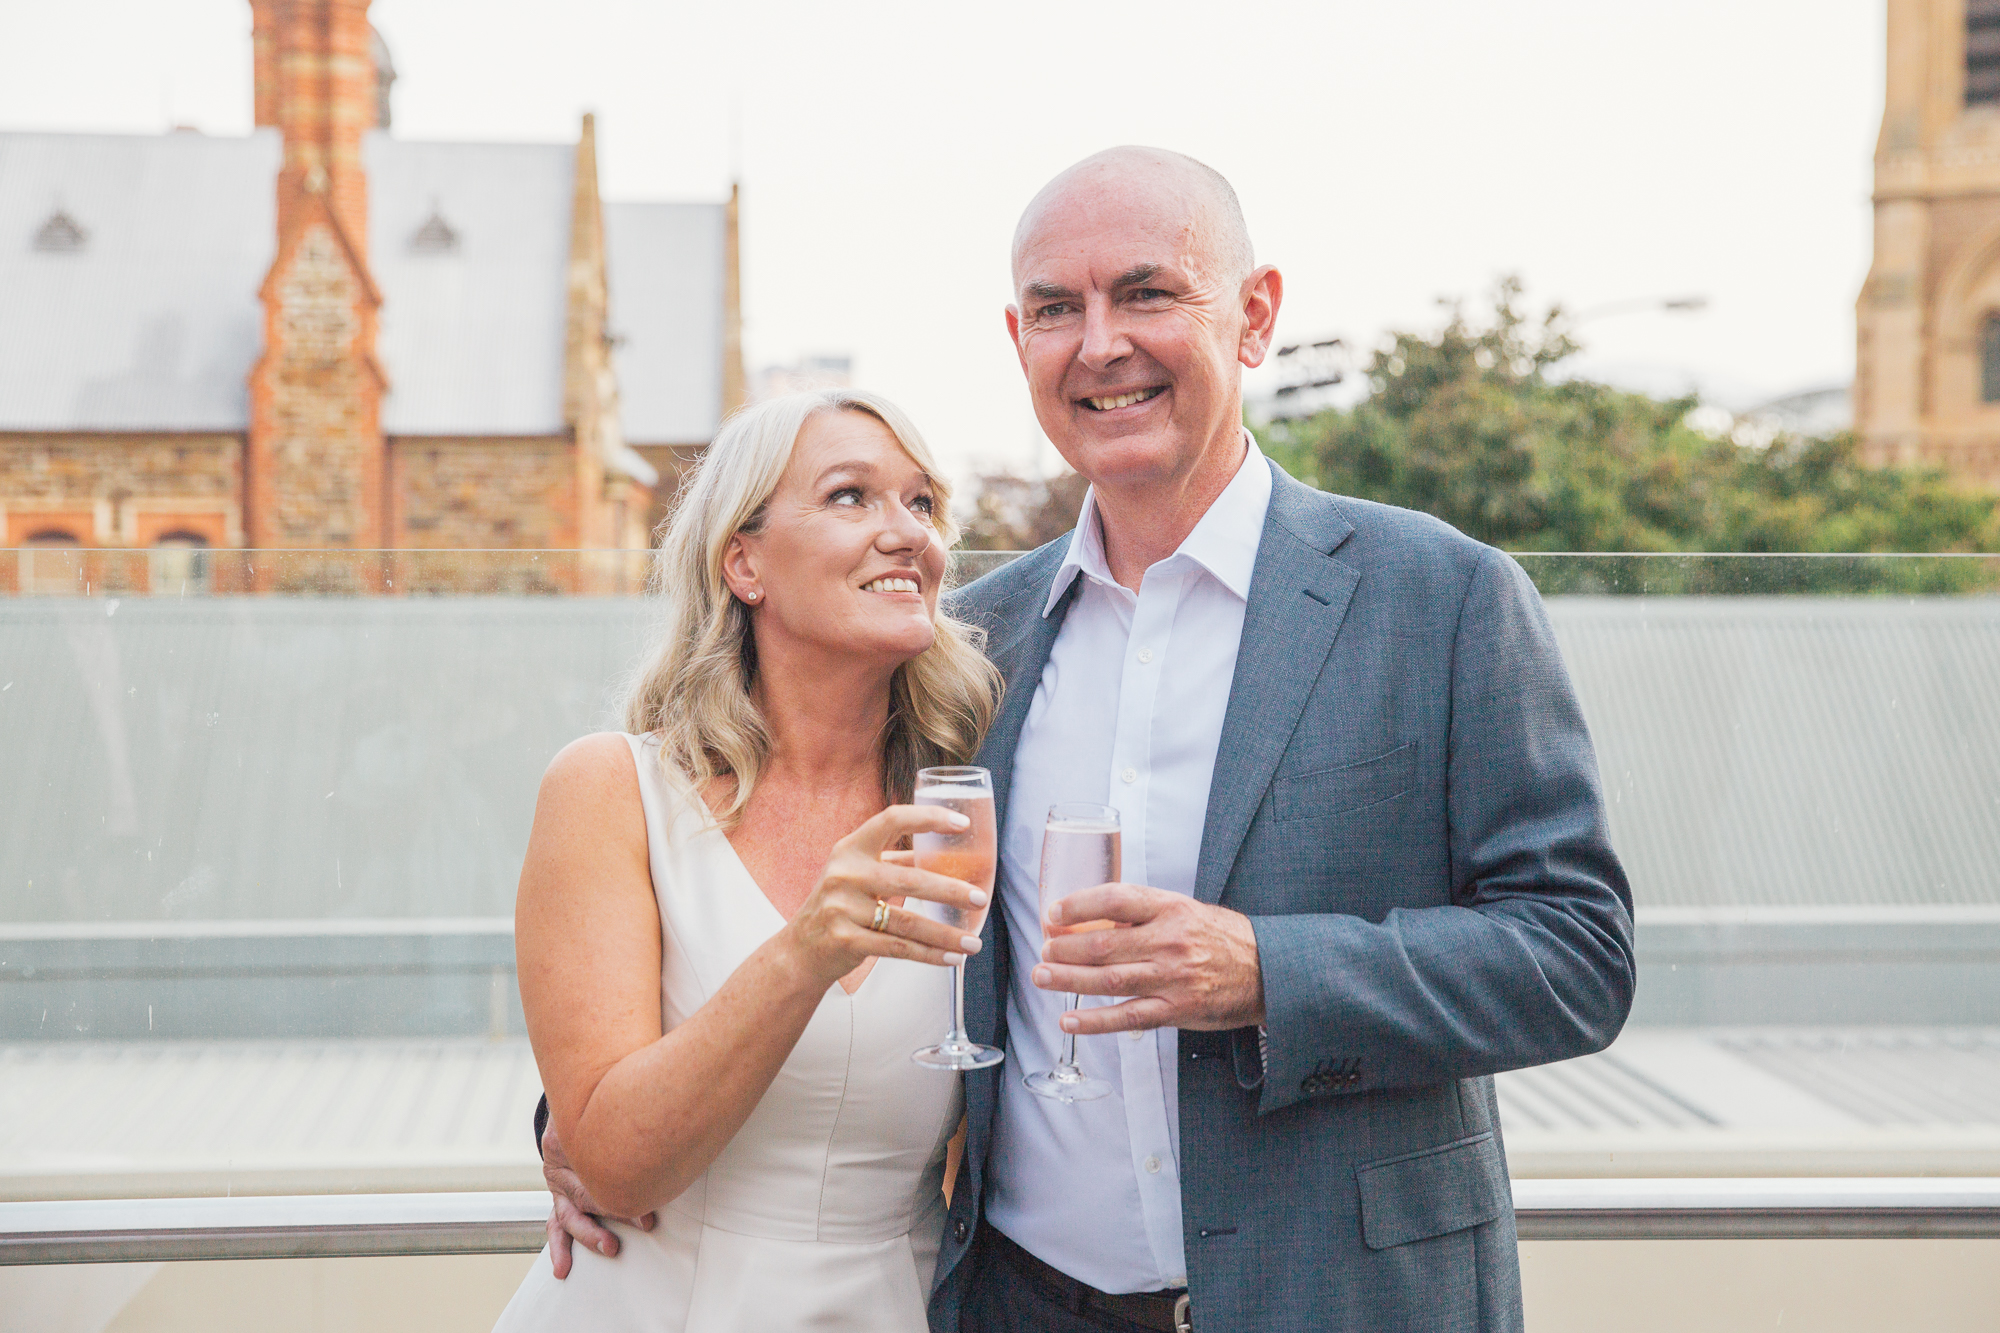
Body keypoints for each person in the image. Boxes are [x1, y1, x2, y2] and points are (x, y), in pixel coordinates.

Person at [543, 147, 1635, 1333]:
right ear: (1020, 341)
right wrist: (579, 1130)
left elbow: (1576, 955)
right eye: (1057, 308)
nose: (1099, 343)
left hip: (1340, 1299)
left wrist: (1267, 970)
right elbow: (753, 880)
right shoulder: (970, 653)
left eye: (1146, 292)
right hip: (1022, 1307)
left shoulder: (1439, 596)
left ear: (1253, 315)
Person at [492, 388, 1002, 1333]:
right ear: (744, 561)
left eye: (922, 502)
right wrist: (803, 951)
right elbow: (612, 1163)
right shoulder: (611, 790)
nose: (908, 534)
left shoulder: (968, 803)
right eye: (850, 495)